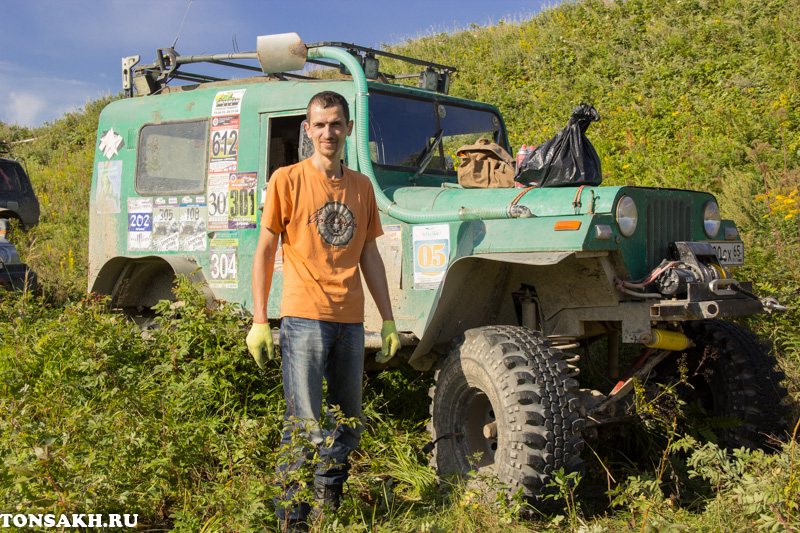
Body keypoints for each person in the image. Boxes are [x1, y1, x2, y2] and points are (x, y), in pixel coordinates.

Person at [246, 90, 400, 532]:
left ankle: (327, 511)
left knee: (347, 424)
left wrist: (387, 318)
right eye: (320, 124)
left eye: (336, 123)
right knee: (305, 426)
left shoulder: (361, 186)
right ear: (308, 130)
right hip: (305, 318)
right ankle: (291, 522)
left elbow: (370, 254)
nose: (328, 132)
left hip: (351, 322)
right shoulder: (287, 180)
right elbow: (264, 250)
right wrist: (260, 320)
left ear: (349, 128)